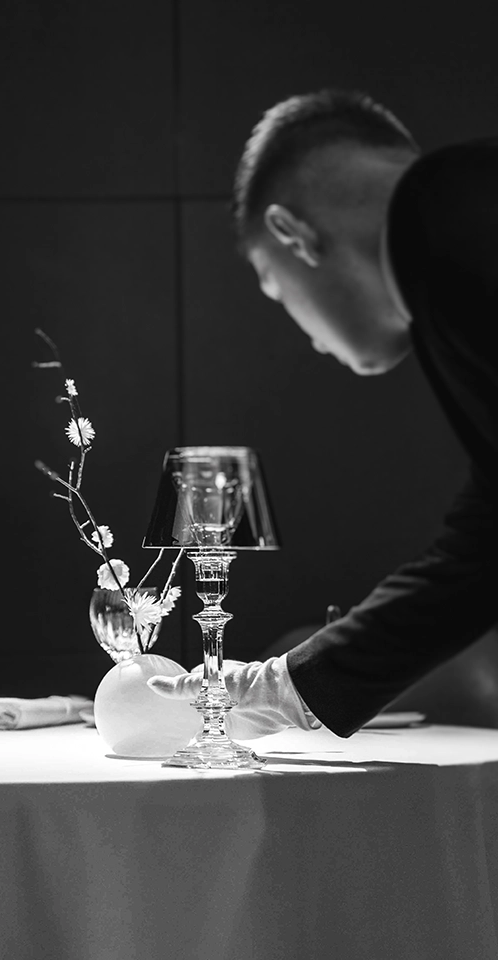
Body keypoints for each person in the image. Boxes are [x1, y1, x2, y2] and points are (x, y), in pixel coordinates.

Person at [149, 88, 498, 738]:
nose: (311, 339)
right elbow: (484, 547)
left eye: (276, 289)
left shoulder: (452, 220)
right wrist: (288, 685)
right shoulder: (454, 222)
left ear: (293, 234)